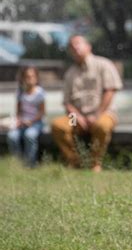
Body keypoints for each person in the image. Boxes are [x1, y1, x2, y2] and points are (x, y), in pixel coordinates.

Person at [51, 35, 123, 172]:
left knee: (102, 126)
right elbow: (67, 102)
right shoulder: (70, 73)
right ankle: (75, 161)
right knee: (58, 125)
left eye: (78, 44)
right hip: (78, 117)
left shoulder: (104, 64)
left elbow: (111, 91)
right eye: (72, 46)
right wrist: (77, 116)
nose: (75, 48)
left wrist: (97, 114)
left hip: (103, 113)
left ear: (88, 46)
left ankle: (95, 163)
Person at [7, 66, 45, 167]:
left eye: (32, 76)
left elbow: (42, 112)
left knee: (30, 135)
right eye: (27, 77)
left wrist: (31, 122)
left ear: (36, 78)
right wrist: (19, 121)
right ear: (23, 78)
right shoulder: (20, 92)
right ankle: (17, 162)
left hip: (36, 122)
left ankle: (31, 163)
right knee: (12, 136)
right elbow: (18, 111)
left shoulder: (40, 92)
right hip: (22, 122)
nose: (30, 79)